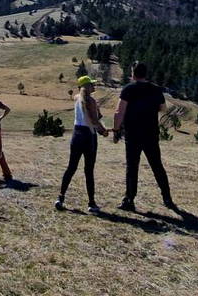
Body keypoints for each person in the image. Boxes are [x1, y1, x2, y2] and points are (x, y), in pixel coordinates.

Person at [112, 62, 176, 212]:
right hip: (150, 133)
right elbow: (163, 109)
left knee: (132, 167)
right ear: (146, 73)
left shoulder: (128, 89)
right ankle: (167, 198)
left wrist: (116, 130)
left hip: (133, 134)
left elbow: (119, 112)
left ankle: (129, 199)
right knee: (157, 166)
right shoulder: (155, 89)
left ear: (133, 73)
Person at [56, 75, 108, 213]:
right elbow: (95, 121)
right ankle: (91, 203)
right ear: (88, 87)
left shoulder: (76, 98)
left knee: (71, 168)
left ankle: (60, 197)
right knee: (89, 170)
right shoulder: (91, 100)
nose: (94, 86)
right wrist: (103, 131)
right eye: (92, 84)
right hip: (89, 136)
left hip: (76, 135)